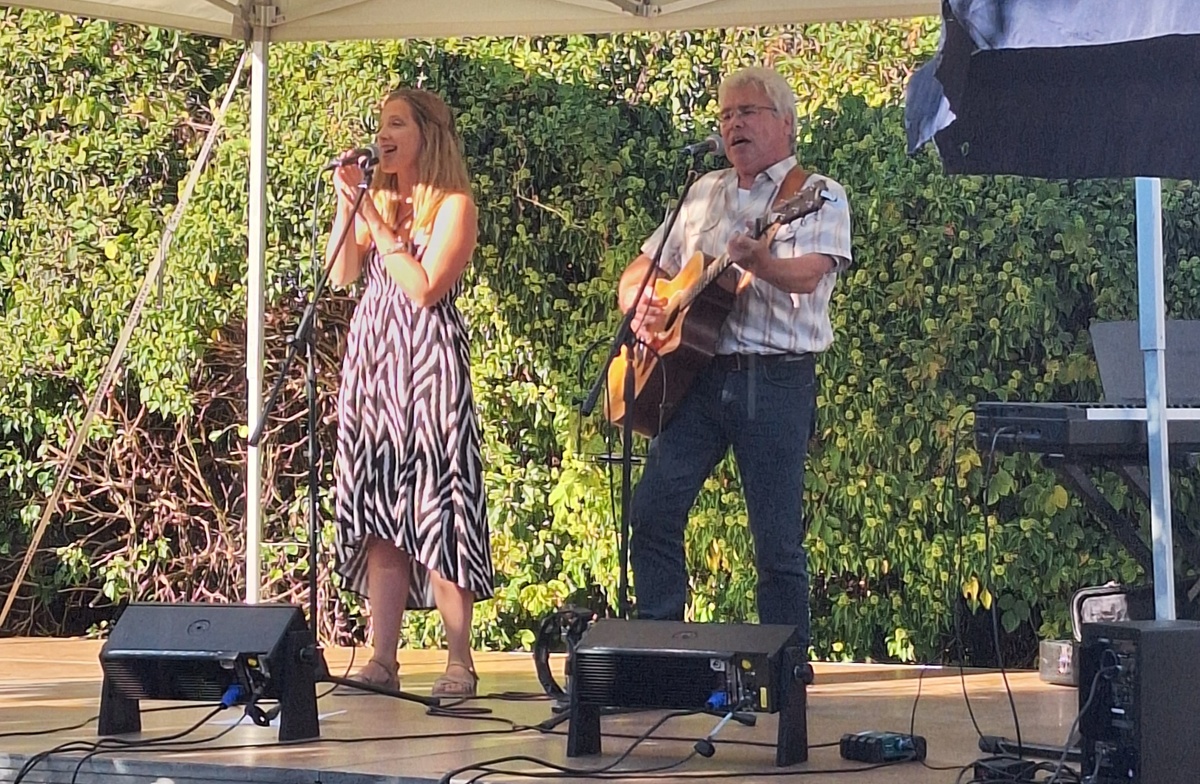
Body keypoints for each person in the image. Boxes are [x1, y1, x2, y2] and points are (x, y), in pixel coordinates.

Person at [617, 66, 852, 648]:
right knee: (652, 509)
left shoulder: (813, 193)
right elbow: (645, 268)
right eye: (725, 116)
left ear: (786, 124)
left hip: (774, 381)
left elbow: (808, 274)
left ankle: (786, 671)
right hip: (695, 376)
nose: (733, 124)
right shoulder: (702, 193)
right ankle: (659, 649)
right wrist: (642, 299)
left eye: (747, 112)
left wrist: (759, 261)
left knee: (775, 544)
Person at [327, 87, 491, 698]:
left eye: (396, 124)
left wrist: (374, 220)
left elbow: (424, 289)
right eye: (380, 124)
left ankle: (458, 661)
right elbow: (342, 273)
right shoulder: (383, 206)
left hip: (429, 369)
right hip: (375, 368)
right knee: (379, 512)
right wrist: (351, 209)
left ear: (429, 134)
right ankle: (382, 658)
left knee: (439, 508)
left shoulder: (455, 206)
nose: (383, 135)